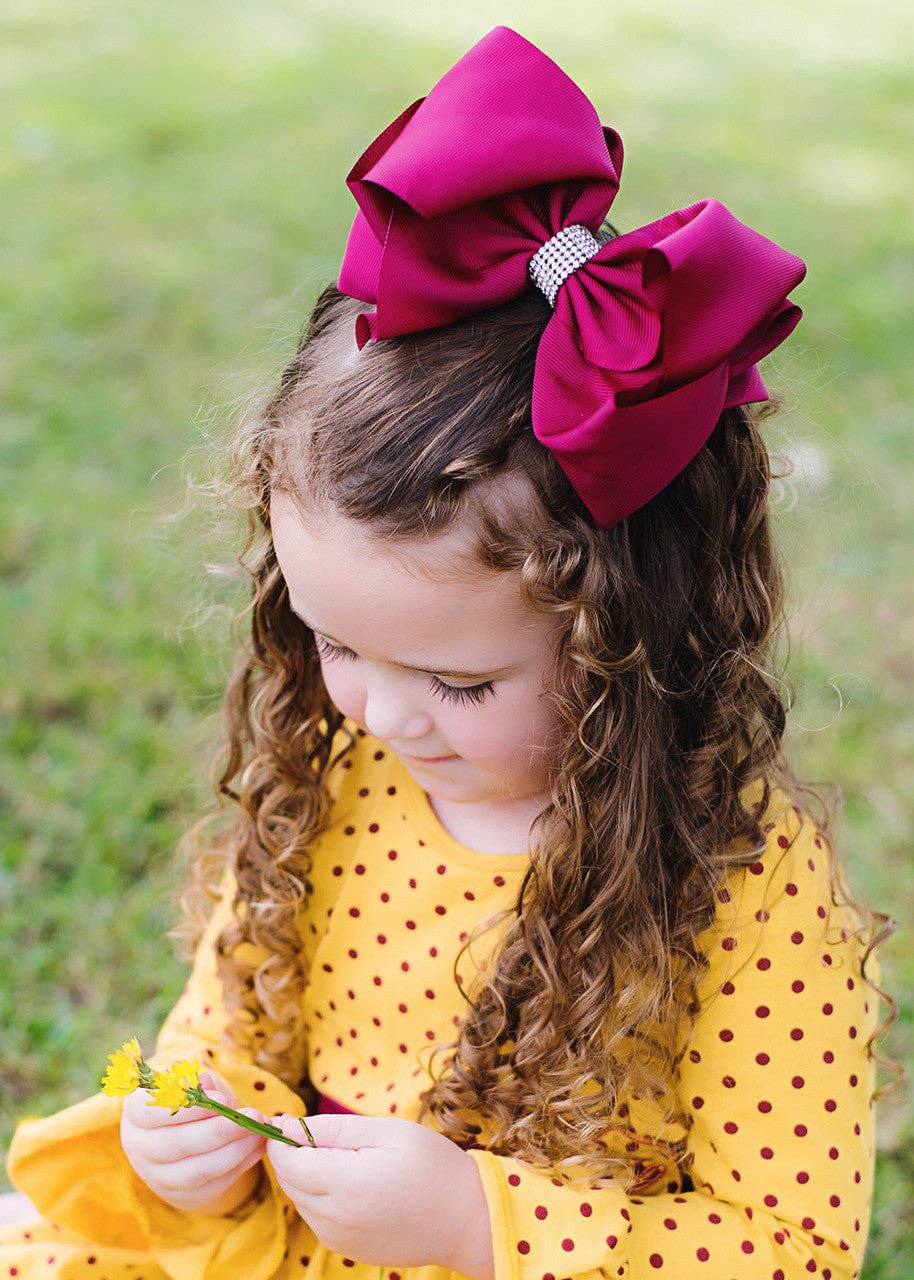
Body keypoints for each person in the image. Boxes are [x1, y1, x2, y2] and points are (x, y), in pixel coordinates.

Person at [1, 25, 899, 1280]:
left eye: (463, 682)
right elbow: (227, 1029)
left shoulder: (741, 889)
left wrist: (482, 1226)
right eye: (332, 643)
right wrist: (194, 1126)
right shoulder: (332, 779)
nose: (379, 713)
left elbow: (789, 1247)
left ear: (632, 643)